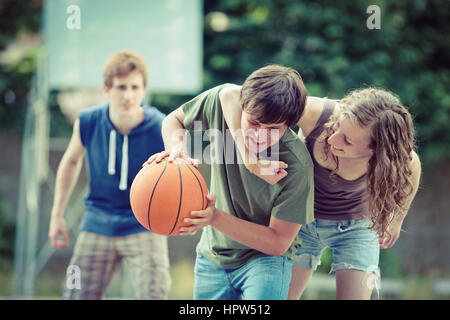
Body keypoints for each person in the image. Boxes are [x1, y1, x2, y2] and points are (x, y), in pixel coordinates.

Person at [226, 87, 422, 300]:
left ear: (375, 151)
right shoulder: (316, 113)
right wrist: (249, 159)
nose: (333, 139)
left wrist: (397, 218)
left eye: (347, 140)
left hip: (356, 227)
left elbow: (413, 167)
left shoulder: (395, 156)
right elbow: (232, 95)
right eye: (336, 127)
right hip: (300, 221)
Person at [145, 65, 315, 300]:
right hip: (213, 256)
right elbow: (174, 120)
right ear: (242, 106)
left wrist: (215, 217)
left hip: (265, 262)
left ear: (288, 126)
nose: (260, 135)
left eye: (273, 129)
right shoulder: (220, 108)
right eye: (254, 123)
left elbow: (278, 242)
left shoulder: (297, 165)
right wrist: (177, 150)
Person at [48, 50, 171, 300]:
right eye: (120, 87)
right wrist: (57, 214)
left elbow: (178, 175)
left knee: (154, 294)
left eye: (135, 87)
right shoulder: (88, 121)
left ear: (144, 90)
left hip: (143, 223)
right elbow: (71, 161)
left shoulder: (161, 126)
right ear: (106, 89)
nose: (128, 95)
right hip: (98, 219)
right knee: (75, 294)